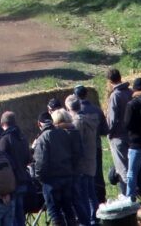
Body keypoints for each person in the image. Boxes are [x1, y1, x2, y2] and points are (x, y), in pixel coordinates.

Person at [33, 111, 78, 226]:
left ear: (39, 124)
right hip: (67, 176)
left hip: (51, 181)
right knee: (69, 210)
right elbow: (74, 153)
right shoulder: (63, 133)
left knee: (55, 213)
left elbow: (40, 163)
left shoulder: (42, 139)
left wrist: (39, 178)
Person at [67, 97, 99, 226]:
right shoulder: (88, 119)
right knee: (91, 192)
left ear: (69, 109)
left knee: (84, 195)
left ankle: (88, 220)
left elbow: (76, 143)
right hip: (91, 159)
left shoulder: (77, 123)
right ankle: (95, 217)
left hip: (82, 163)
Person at [0, 111, 32, 226]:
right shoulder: (22, 137)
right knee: (20, 214)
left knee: (12, 217)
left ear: (2, 123)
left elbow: (0, 164)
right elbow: (28, 159)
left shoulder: (4, 140)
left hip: (12, 183)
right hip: (23, 180)